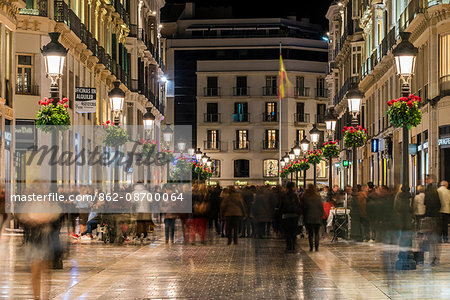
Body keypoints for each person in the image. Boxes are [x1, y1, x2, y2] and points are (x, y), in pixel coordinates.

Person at [278, 182, 302, 252]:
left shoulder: (284, 195)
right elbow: (298, 205)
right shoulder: (295, 195)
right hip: (294, 215)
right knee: (293, 231)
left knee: (287, 231)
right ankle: (293, 245)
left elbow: (281, 206)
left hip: (286, 216)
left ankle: (288, 245)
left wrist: (280, 213)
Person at [424, 175, 441, 265]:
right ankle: (434, 257)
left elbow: (426, 203)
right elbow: (439, 204)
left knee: (431, 238)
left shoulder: (429, 191)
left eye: (427, 179)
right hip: (435, 216)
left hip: (430, 216)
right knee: (434, 238)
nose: (426, 180)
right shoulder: (435, 191)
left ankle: (433, 257)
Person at [302, 184, 324, 251]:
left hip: (308, 217)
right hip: (317, 217)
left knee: (310, 234)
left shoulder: (305, 197)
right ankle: (317, 247)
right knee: (316, 233)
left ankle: (311, 247)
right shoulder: (318, 197)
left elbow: (303, 208)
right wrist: (320, 215)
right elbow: (321, 208)